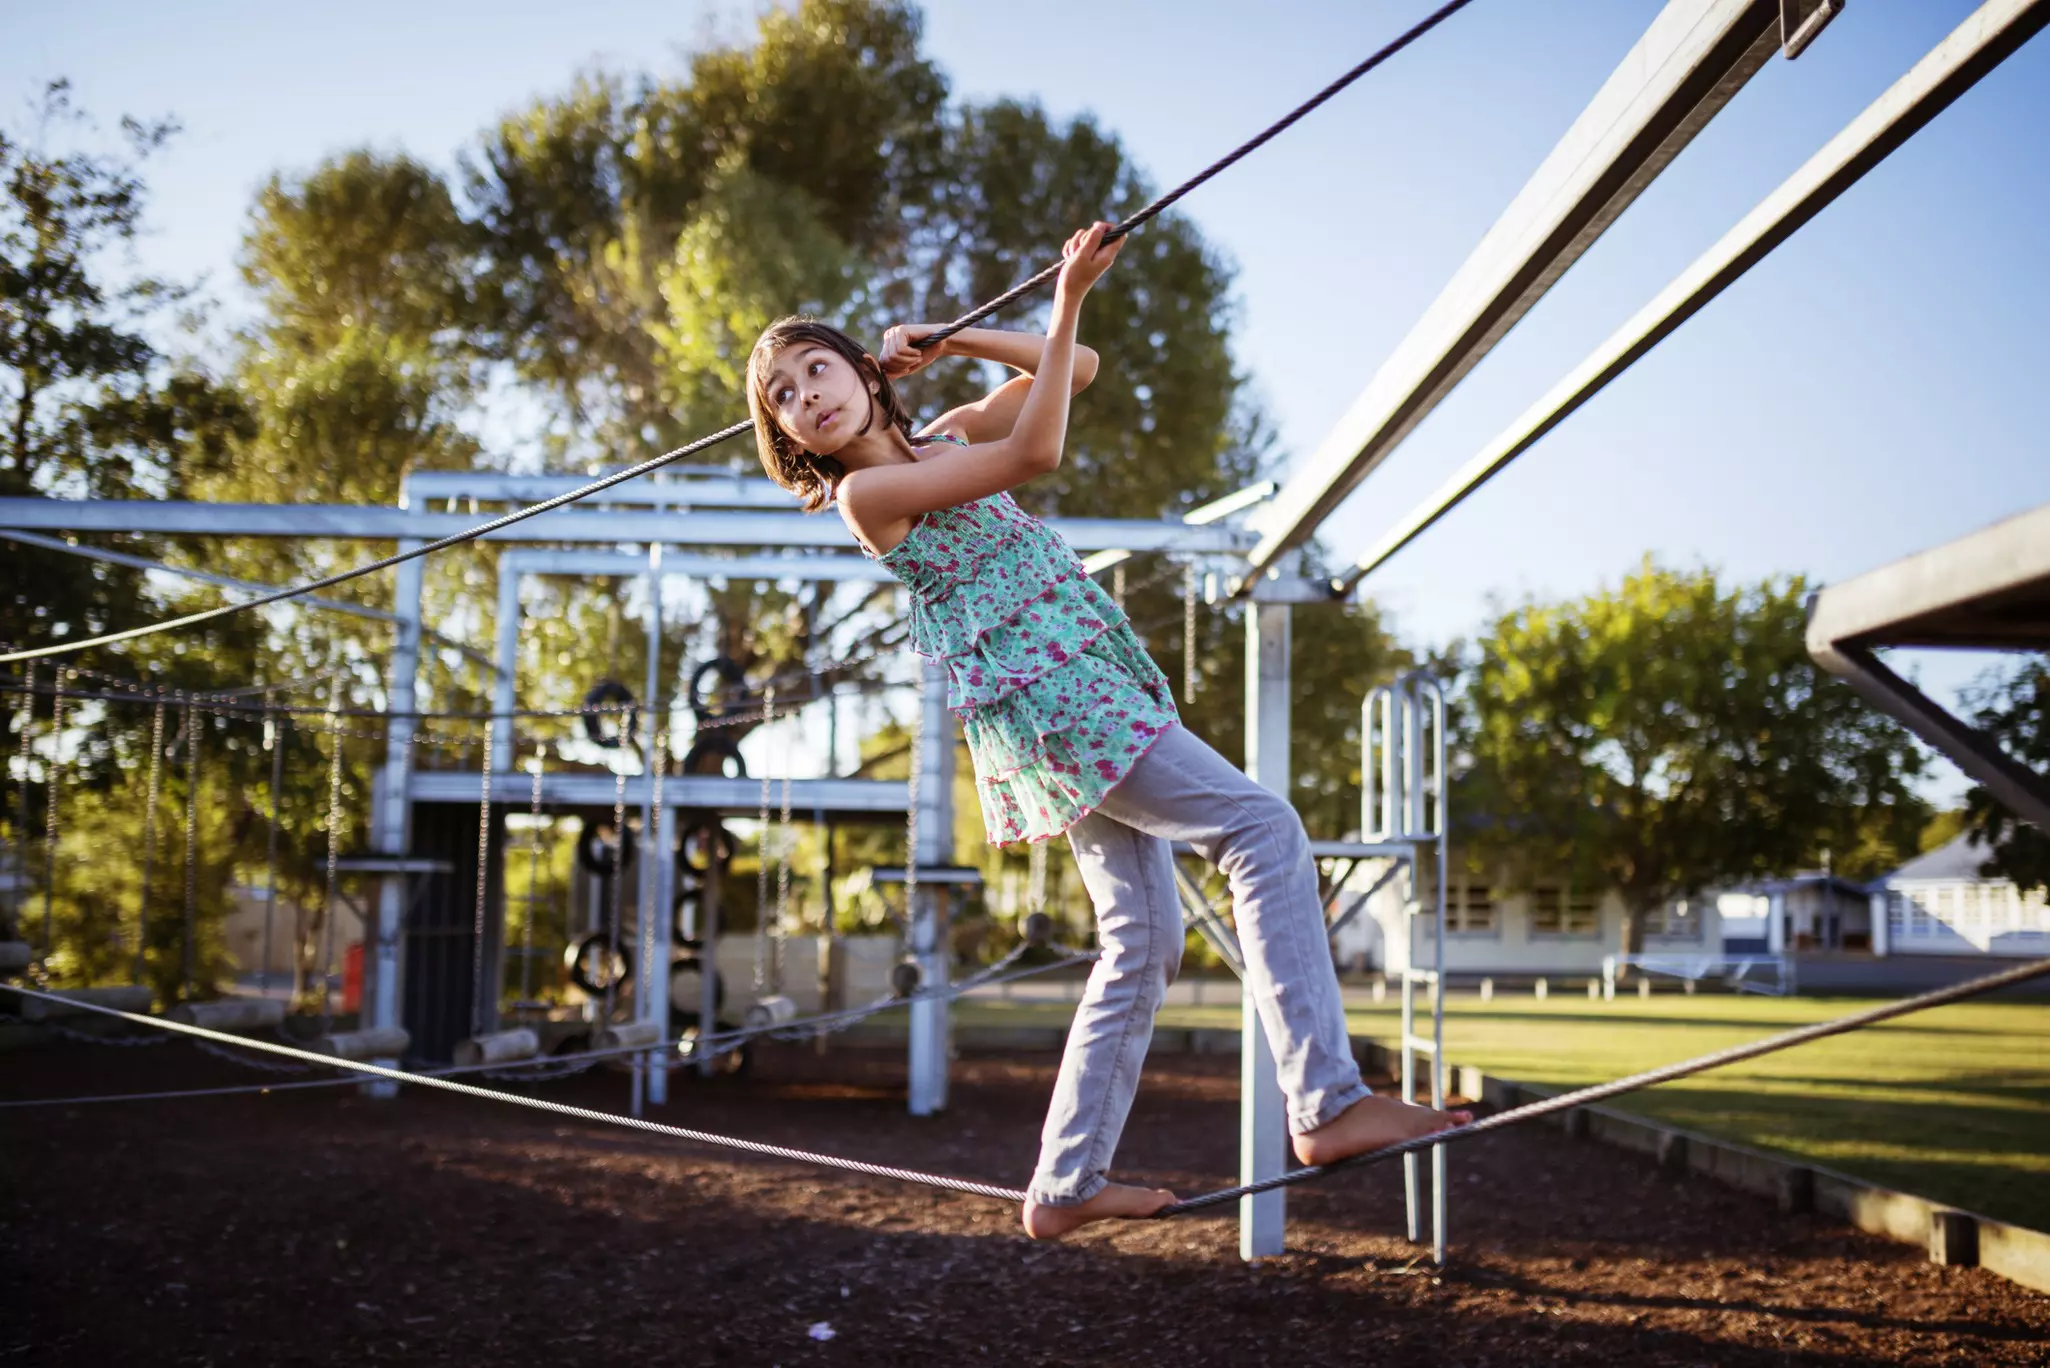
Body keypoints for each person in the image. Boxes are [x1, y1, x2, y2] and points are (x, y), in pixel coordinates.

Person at [745, 222, 1468, 1239]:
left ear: (864, 370)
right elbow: (1037, 449)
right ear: (791, 441)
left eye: (814, 368)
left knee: (1143, 940)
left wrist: (958, 341)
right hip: (1064, 707)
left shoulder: (945, 432)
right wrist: (1070, 289)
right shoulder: (869, 496)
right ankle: (1328, 1101)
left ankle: (1064, 1184)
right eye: (782, 398)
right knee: (1261, 831)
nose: (803, 395)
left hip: (1076, 698)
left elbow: (1071, 370)